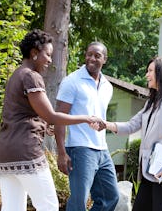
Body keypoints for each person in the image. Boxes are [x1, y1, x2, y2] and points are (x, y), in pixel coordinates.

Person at [0, 29, 105, 211]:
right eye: (48, 55)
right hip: (24, 150)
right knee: (49, 206)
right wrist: (86, 118)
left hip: (4, 152)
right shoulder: (31, 76)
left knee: (13, 208)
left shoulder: (17, 74)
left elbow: (22, 114)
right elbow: (51, 115)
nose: (50, 60)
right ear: (35, 53)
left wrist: (44, 125)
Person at [92, 56, 162, 211]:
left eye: (150, 71)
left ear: (161, 72)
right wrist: (106, 125)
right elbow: (131, 125)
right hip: (150, 169)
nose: (146, 75)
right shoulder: (152, 102)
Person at [54, 41, 119, 211]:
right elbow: (59, 118)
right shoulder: (72, 81)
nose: (91, 58)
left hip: (102, 149)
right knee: (79, 202)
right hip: (80, 148)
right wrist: (61, 153)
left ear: (104, 59)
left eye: (97, 55)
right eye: (89, 54)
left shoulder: (108, 86)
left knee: (110, 197)